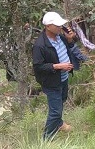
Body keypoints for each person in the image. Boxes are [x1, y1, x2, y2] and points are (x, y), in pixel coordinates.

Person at [32, 11, 75, 139]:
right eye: (57, 25)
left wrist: (69, 39)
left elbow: (69, 48)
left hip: (63, 78)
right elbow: (38, 67)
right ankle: (47, 138)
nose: (60, 27)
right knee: (55, 111)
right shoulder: (40, 45)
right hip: (51, 81)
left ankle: (59, 124)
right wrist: (58, 66)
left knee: (61, 101)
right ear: (48, 26)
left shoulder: (60, 37)